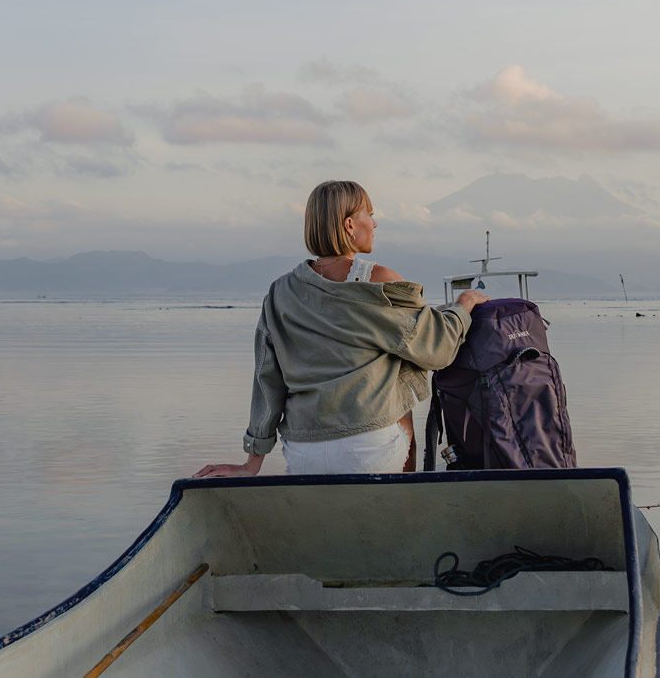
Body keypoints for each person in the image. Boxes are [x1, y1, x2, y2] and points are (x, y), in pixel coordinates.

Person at [195, 180, 488, 477]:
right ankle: (402, 495)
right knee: (399, 377)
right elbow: (437, 348)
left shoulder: (279, 292)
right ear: (349, 225)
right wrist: (463, 305)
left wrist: (251, 464)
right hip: (370, 449)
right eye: (369, 215)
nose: (374, 223)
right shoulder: (380, 283)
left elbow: (267, 380)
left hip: (302, 452)